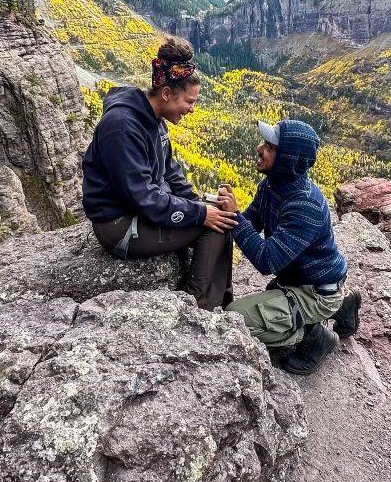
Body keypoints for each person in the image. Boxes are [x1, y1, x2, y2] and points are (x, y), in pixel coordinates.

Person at [83, 36, 237, 310]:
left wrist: (200, 204)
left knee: (219, 214)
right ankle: (198, 307)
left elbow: (171, 172)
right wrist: (200, 214)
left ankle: (221, 303)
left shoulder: (154, 120)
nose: (192, 109)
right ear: (166, 93)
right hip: (119, 226)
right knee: (215, 227)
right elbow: (142, 197)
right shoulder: (122, 127)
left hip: (138, 213)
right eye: (189, 101)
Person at [219, 119, 360, 375]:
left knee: (234, 319)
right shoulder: (271, 186)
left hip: (314, 292)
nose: (260, 148)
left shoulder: (304, 206)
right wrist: (223, 216)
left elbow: (267, 261)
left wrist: (236, 219)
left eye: (270, 147)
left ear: (286, 159)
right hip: (304, 280)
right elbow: (252, 219)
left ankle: (314, 337)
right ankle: (343, 302)